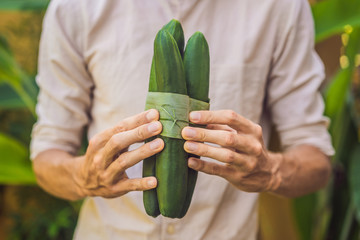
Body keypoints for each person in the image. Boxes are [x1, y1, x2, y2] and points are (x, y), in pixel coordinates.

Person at [30, 0, 334, 239]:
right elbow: (47, 154)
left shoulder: (281, 7)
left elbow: (317, 162)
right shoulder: (74, 8)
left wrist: (273, 172)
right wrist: (81, 175)